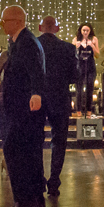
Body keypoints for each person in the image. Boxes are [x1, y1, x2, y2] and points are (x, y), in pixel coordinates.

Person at [0, 5, 46, 207]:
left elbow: (36, 70)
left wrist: (36, 93)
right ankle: (32, 197)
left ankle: (25, 199)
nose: (2, 24)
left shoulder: (27, 42)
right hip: (18, 106)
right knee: (26, 152)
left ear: (18, 21)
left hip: (24, 109)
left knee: (17, 150)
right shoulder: (18, 41)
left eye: (5, 20)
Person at [36, 16, 76, 197]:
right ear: (57, 29)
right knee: (59, 141)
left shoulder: (33, 45)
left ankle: (38, 181)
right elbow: (75, 76)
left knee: (35, 139)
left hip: (37, 98)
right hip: (60, 98)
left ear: (40, 28)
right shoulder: (68, 48)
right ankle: (54, 182)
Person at [72, 23, 100, 117]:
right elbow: (72, 55)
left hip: (90, 66)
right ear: (80, 30)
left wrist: (92, 46)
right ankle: (78, 111)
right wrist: (76, 47)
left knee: (90, 88)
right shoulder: (76, 39)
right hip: (80, 66)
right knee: (79, 90)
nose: (85, 32)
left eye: (87, 30)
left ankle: (89, 111)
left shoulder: (94, 39)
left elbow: (97, 55)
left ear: (90, 31)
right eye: (83, 30)